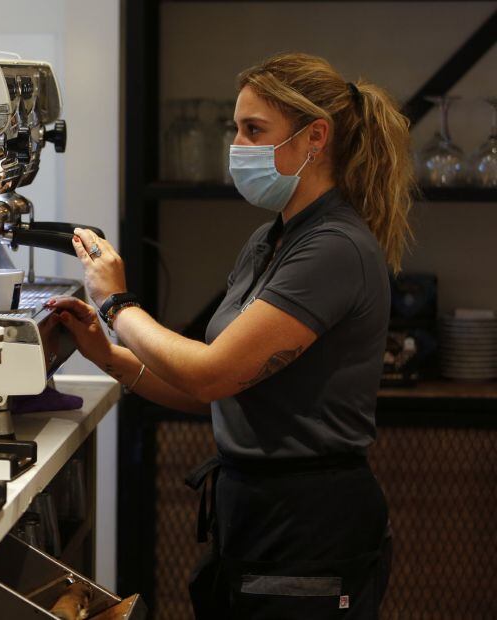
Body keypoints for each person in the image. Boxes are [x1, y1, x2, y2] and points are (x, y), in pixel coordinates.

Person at [48, 52, 413, 618]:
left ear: (315, 137)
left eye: (253, 130)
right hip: (256, 513)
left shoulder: (333, 247)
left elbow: (212, 371)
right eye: (235, 129)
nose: (237, 145)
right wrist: (111, 358)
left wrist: (117, 303)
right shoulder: (271, 241)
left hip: (308, 526)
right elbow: (212, 393)